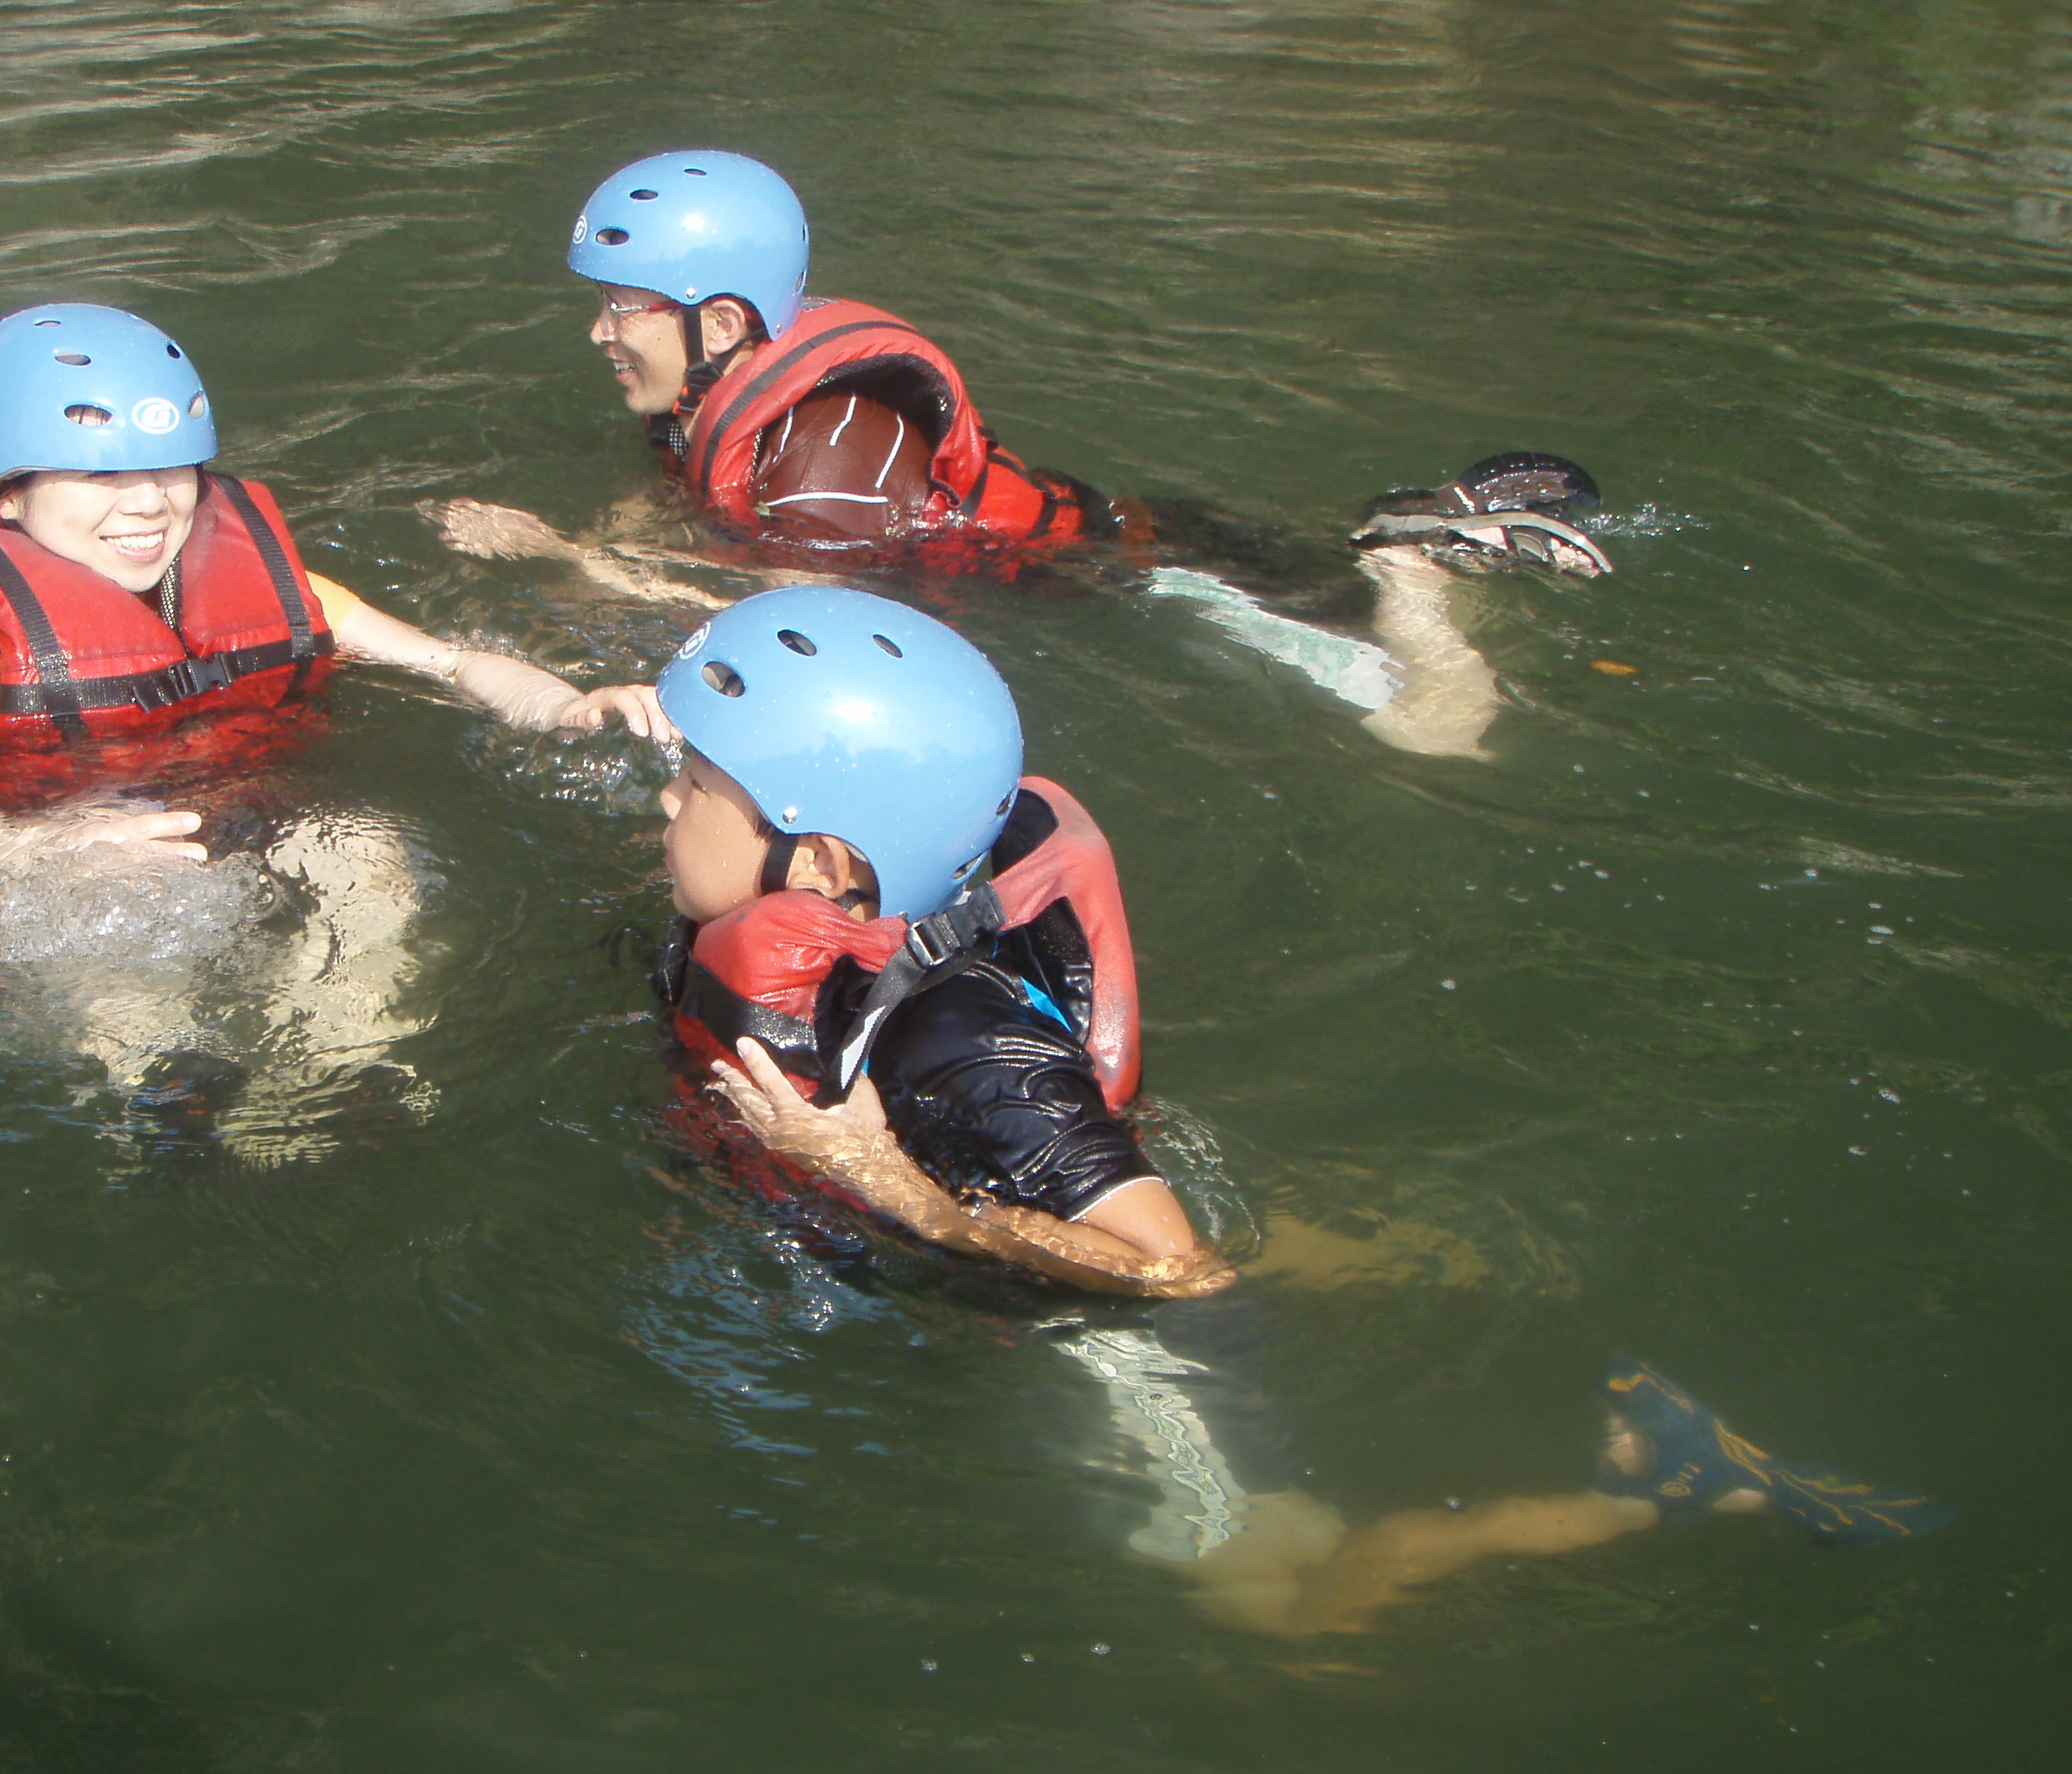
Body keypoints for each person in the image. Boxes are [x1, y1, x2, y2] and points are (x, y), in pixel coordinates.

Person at [432, 152, 1612, 758]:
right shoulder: (713, 391)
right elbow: (697, 510)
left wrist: (574, 567)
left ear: (725, 323)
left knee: (1431, 726)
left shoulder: (833, 439)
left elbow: (806, 621)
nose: (598, 332)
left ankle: (1413, 574)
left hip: (1140, 577)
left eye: (622, 307)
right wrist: (591, 546)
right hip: (1100, 536)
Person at [0, 303, 662, 1139]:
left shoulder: (276, 590)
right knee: (115, 923)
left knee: (359, 844)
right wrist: (44, 846)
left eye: (170, 470)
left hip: (244, 816)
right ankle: (165, 1085)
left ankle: (345, 1059)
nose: (148, 504)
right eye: (97, 477)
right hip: (64, 852)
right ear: (0, 496)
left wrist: (563, 703)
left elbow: (449, 662)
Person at [638, 584, 1233, 1297]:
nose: (666, 799)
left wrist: (877, 1176)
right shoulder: (742, 929)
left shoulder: (963, 1039)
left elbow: (1178, 1269)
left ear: (822, 864)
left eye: (697, 784)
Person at [1063, 1335, 1954, 1637]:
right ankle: (1690, 1490)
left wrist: (1305, 1660)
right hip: (1197, 1410)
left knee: (1284, 1611)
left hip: (1162, 1410)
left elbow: (1398, 1548)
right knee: (1294, 1573)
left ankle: (1674, 1492)